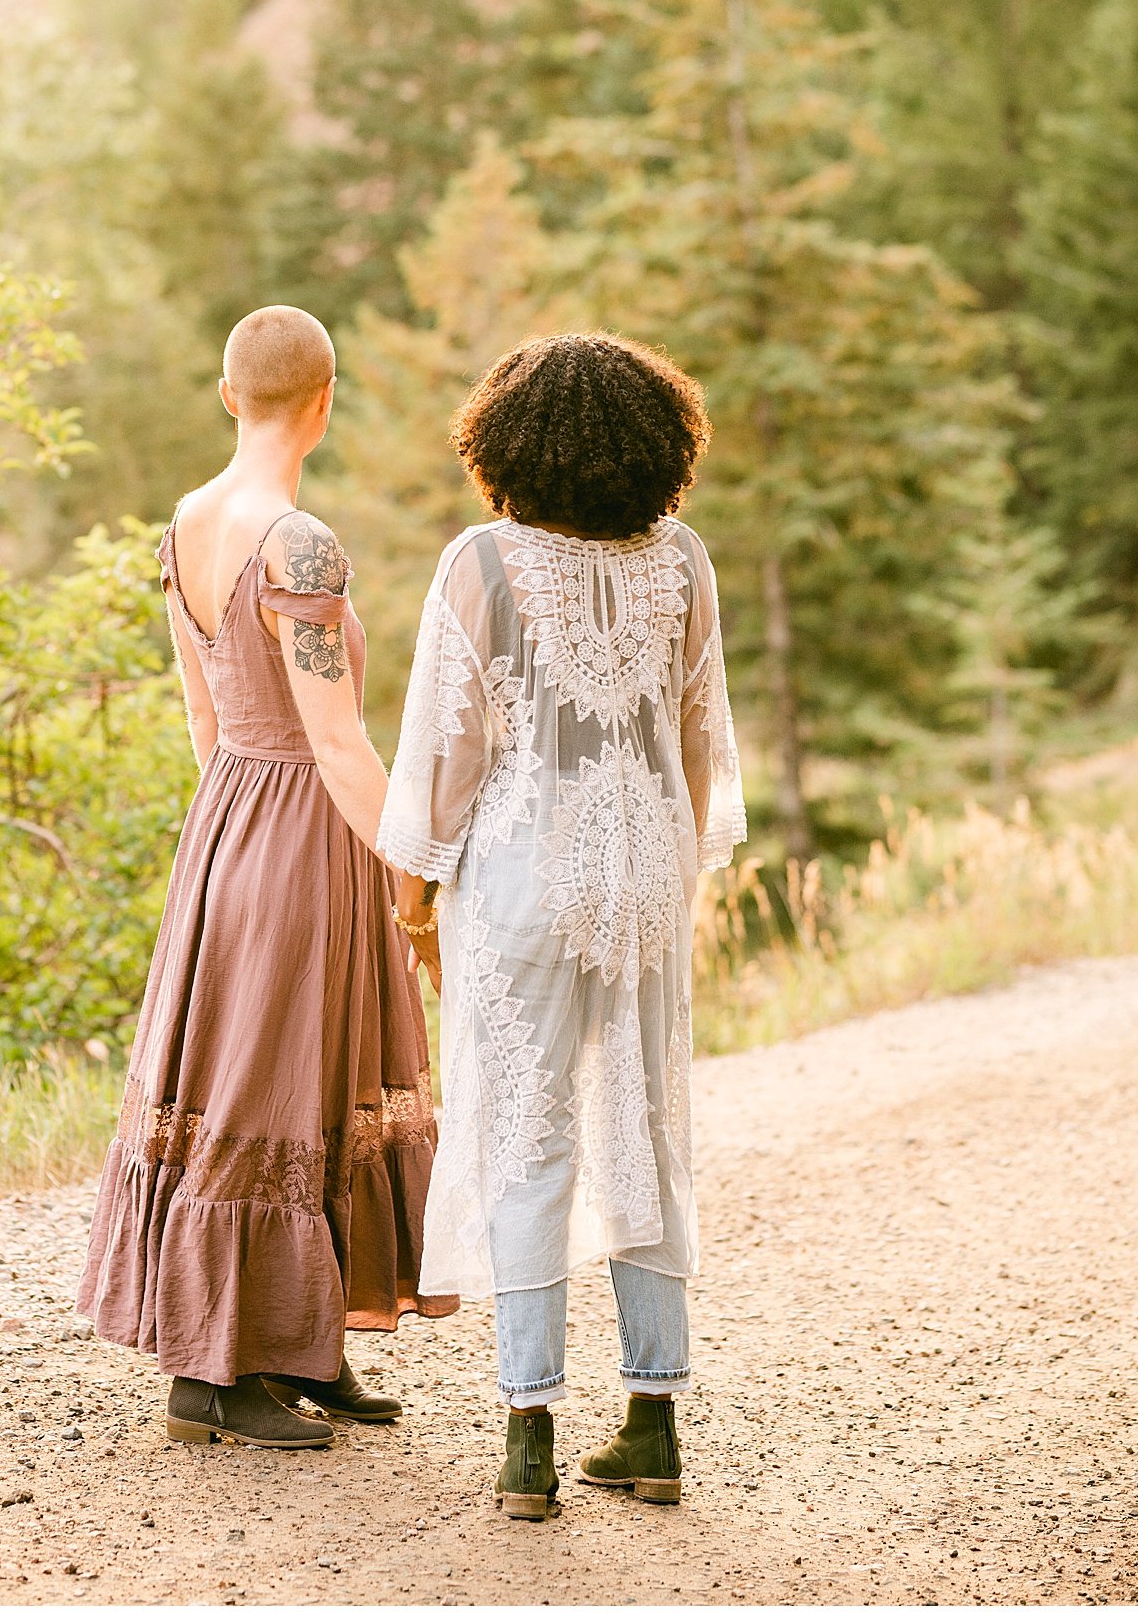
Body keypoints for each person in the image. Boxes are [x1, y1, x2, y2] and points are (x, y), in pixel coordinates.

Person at [377, 333, 747, 1518]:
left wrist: (416, 887)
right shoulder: (682, 561)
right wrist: (680, 869)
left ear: (509, 443)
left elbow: (450, 748)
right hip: (643, 865)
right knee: (644, 1126)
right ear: (655, 443)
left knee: (522, 1132)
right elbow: (697, 740)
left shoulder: (479, 564)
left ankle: (528, 1439)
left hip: (526, 871)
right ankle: (652, 1425)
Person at [77, 305, 454, 1450]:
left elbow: (203, 710)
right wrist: (420, 870)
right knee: (268, 1088)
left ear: (227, 393)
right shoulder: (299, 543)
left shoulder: (188, 521)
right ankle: (210, 1377)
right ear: (325, 403)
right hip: (303, 824)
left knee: (311, 1074)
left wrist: (228, 839)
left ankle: (303, 1344)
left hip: (232, 813)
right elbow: (338, 740)